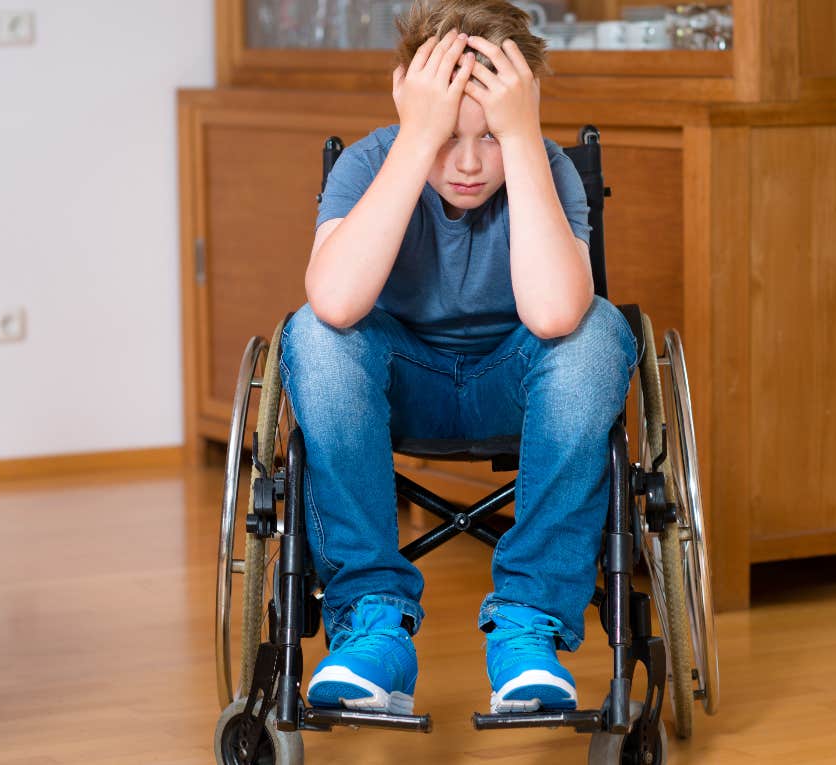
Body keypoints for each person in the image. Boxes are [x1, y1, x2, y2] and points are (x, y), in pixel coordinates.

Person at [277, 0, 637, 716]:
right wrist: (418, 138)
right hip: (395, 384)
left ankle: (526, 623)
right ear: (405, 100)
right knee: (314, 332)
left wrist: (525, 137)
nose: (469, 163)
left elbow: (556, 315)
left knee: (596, 330)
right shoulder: (374, 161)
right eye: (450, 135)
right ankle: (373, 620)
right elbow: (338, 303)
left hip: (520, 382)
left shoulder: (546, 166)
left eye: (489, 136)